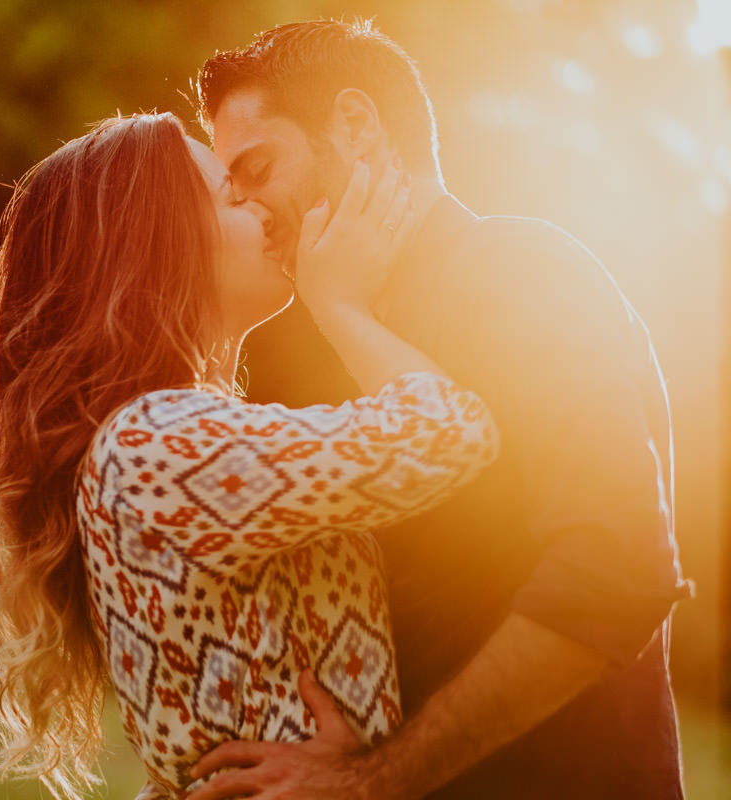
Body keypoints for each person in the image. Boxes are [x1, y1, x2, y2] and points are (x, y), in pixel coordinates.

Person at [185, 18, 693, 800]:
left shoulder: (514, 268)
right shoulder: (369, 342)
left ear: (355, 124)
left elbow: (617, 570)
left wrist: (374, 781)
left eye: (257, 168)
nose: (247, 208)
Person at [0, 111, 500, 800]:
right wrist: (343, 307)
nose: (265, 209)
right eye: (232, 196)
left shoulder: (172, 437)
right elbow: (450, 431)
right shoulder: (158, 444)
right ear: (158, 246)